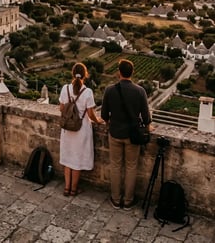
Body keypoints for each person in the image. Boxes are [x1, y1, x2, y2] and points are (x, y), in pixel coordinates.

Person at [101, 59, 152, 210]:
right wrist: (149, 127)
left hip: (115, 133)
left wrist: (110, 123)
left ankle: (116, 199)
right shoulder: (140, 91)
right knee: (131, 167)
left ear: (119, 72)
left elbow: (104, 115)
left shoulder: (110, 90)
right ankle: (128, 201)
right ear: (132, 72)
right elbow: (146, 116)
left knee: (115, 166)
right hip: (132, 135)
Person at [59, 62, 103, 196]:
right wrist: (98, 120)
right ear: (85, 75)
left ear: (72, 73)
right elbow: (90, 114)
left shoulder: (65, 88)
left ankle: (66, 188)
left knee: (68, 158)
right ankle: (73, 189)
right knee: (77, 160)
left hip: (67, 128)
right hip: (81, 130)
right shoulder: (87, 92)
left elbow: (61, 108)